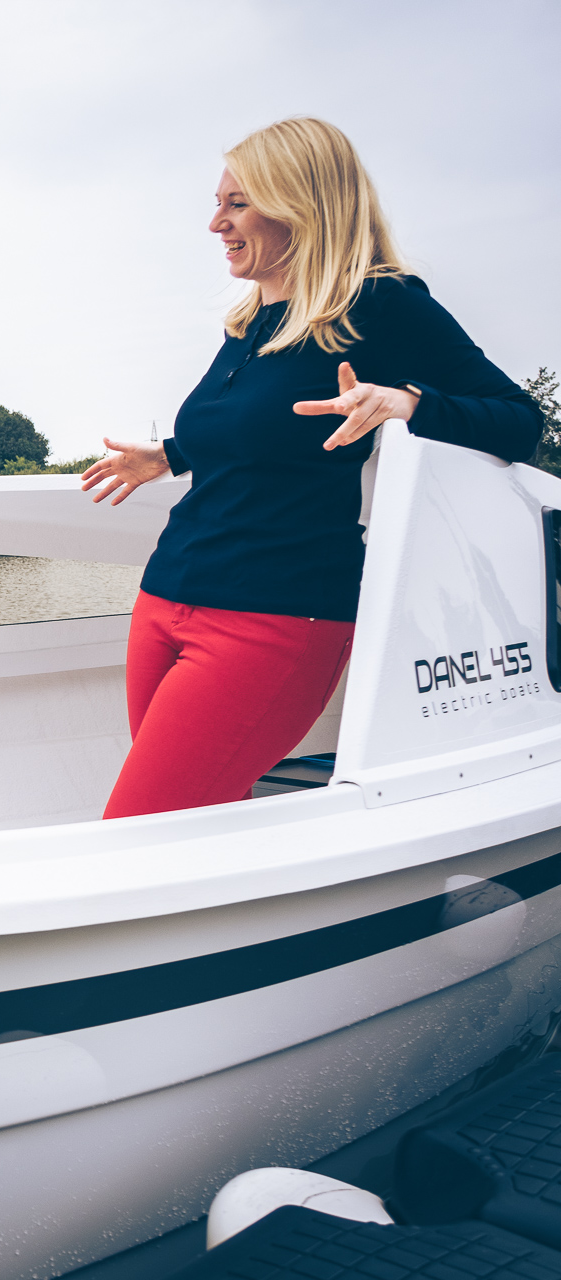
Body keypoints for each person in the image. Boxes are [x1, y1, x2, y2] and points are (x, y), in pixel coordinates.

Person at [80, 117, 542, 820]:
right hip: (166, 595)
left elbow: (519, 420)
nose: (216, 224)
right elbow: (263, 429)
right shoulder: (252, 320)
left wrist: (408, 403)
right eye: (218, 203)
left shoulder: (383, 304)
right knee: (197, 822)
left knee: (141, 830)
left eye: (238, 204)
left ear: (299, 204)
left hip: (271, 616)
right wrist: (171, 454)